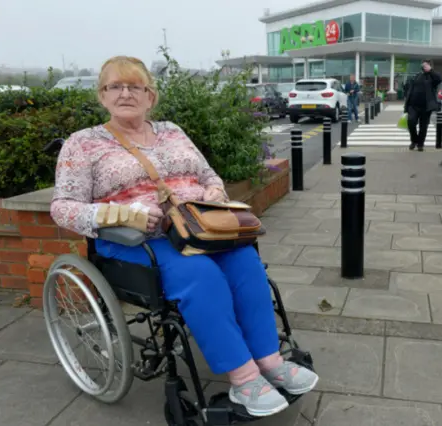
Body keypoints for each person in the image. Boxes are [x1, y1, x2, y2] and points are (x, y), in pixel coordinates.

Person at [49, 56, 319, 418]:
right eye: (116, 86)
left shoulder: (173, 131)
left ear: (151, 96)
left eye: (135, 86)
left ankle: (269, 360)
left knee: (245, 262)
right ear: (102, 95)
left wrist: (213, 195)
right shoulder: (83, 144)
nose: (125, 93)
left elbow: (210, 177)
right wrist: (121, 215)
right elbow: (63, 207)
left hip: (195, 229)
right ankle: (244, 378)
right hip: (134, 241)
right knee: (201, 275)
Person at [403, 59, 442, 151]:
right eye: (423, 65)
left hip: (426, 106)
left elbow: (439, 79)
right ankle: (414, 140)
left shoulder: (432, 77)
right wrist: (407, 104)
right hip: (413, 105)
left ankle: (420, 144)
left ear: (429, 66)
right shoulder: (417, 76)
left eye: (426, 65)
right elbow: (410, 89)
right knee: (411, 122)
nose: (424, 66)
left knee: (423, 126)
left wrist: (430, 71)